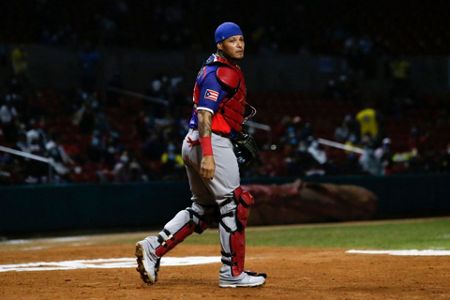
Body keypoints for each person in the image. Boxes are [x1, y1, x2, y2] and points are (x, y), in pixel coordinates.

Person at [135, 22, 266, 288]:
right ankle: (232, 273)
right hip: (210, 143)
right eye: (232, 40)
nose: (239, 44)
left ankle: (153, 248)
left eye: (241, 39)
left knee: (204, 210)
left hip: (194, 141)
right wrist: (208, 154)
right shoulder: (222, 73)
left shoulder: (215, 68)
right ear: (220, 44)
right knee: (235, 204)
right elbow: (205, 113)